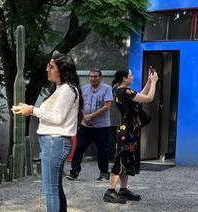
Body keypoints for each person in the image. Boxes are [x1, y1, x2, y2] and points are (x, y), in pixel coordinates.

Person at [12, 53, 82, 212]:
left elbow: (57, 118)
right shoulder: (61, 89)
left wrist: (32, 110)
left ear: (62, 69)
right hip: (53, 142)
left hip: (55, 142)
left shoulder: (67, 90)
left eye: (51, 66)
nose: (47, 69)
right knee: (56, 188)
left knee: (50, 190)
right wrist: (30, 109)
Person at [103, 69, 159, 204]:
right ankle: (110, 191)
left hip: (130, 131)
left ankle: (123, 189)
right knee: (120, 159)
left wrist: (149, 81)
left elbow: (140, 95)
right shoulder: (124, 91)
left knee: (127, 160)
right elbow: (149, 98)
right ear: (124, 78)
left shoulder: (123, 91)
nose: (132, 77)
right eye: (130, 75)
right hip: (127, 132)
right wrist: (155, 82)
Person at [67, 69, 113, 181]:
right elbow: (80, 104)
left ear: (100, 77)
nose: (93, 78)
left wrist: (91, 116)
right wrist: (85, 116)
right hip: (86, 125)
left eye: (96, 76)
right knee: (78, 149)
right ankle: (74, 172)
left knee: (102, 150)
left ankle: (104, 173)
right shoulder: (84, 88)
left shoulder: (107, 89)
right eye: (91, 76)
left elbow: (107, 106)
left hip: (101, 126)